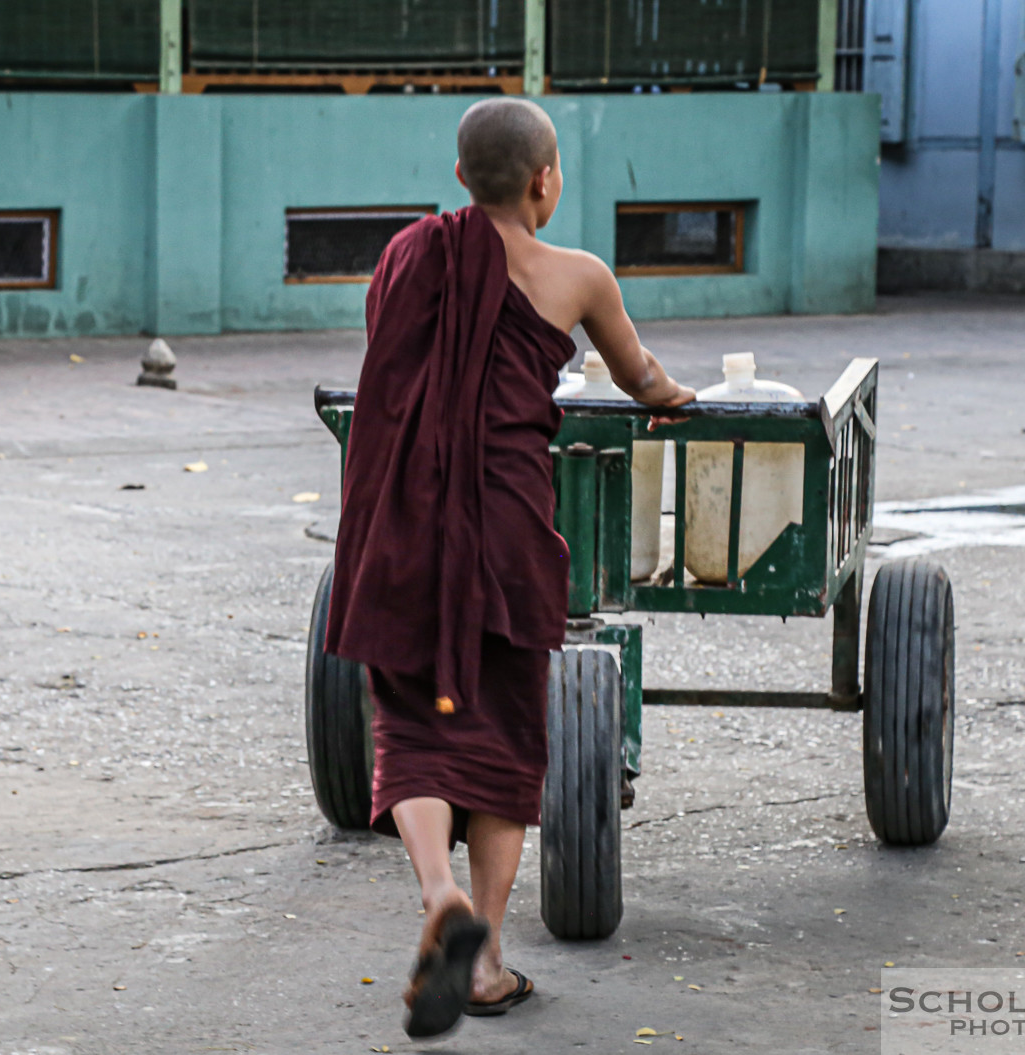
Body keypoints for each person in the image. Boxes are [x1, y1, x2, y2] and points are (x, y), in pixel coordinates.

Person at [326, 97, 694, 1039]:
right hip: (510, 535)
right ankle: (485, 960)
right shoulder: (578, 276)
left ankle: (439, 891)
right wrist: (672, 395)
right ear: (546, 181)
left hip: (405, 528)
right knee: (503, 743)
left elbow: (395, 370)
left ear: (460, 180)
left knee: (411, 725)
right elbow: (638, 377)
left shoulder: (409, 257)